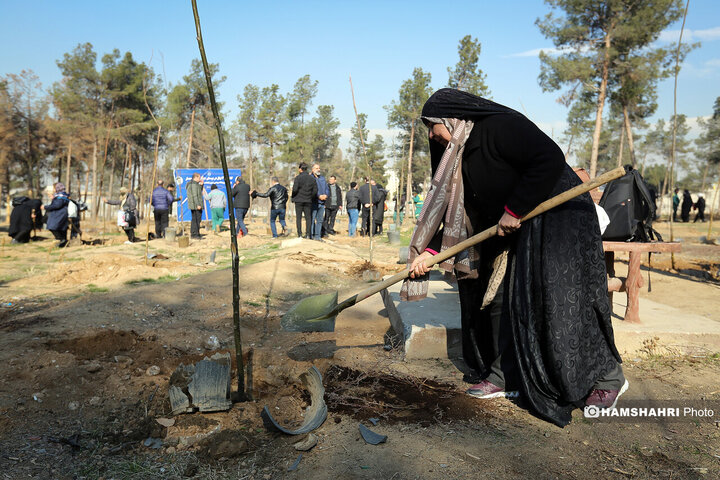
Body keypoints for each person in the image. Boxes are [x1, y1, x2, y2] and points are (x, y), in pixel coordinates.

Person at [405, 88, 626, 427]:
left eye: (431, 126)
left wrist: (514, 208)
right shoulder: (455, 153)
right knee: (498, 297)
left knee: (562, 298)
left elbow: (549, 157)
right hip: (516, 224)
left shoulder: (500, 127)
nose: (431, 135)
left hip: (560, 217)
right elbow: (453, 207)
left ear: (449, 118)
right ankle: (503, 373)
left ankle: (609, 378)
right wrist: (431, 252)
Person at [291, 162, 317, 239]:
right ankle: (308, 234)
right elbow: (315, 191)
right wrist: (310, 197)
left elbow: (295, 189)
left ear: (300, 169)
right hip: (308, 200)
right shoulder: (312, 179)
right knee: (308, 218)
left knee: (298, 218)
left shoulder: (298, 178)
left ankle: (299, 234)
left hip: (298, 200)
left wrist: (293, 196)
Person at [42, 183, 70, 247]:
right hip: (59, 214)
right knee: (61, 228)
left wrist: (45, 207)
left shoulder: (60, 197)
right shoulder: (61, 196)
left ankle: (61, 239)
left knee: (52, 226)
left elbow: (57, 205)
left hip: (59, 214)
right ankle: (63, 242)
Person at [310, 163, 329, 240]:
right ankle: (311, 235)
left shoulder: (322, 178)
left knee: (320, 220)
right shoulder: (310, 178)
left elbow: (327, 188)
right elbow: (312, 189)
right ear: (313, 169)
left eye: (319, 168)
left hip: (322, 203)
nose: (319, 169)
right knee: (312, 219)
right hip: (314, 202)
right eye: (317, 168)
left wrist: (326, 195)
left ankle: (318, 236)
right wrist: (319, 196)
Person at [186, 173, 204, 239]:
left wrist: (201, 185)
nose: (200, 179)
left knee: (196, 219)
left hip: (194, 205)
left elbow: (199, 192)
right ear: (195, 177)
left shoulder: (195, 184)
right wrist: (198, 205)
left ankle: (196, 233)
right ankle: (194, 234)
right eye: (199, 177)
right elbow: (195, 196)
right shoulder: (193, 184)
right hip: (195, 205)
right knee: (196, 220)